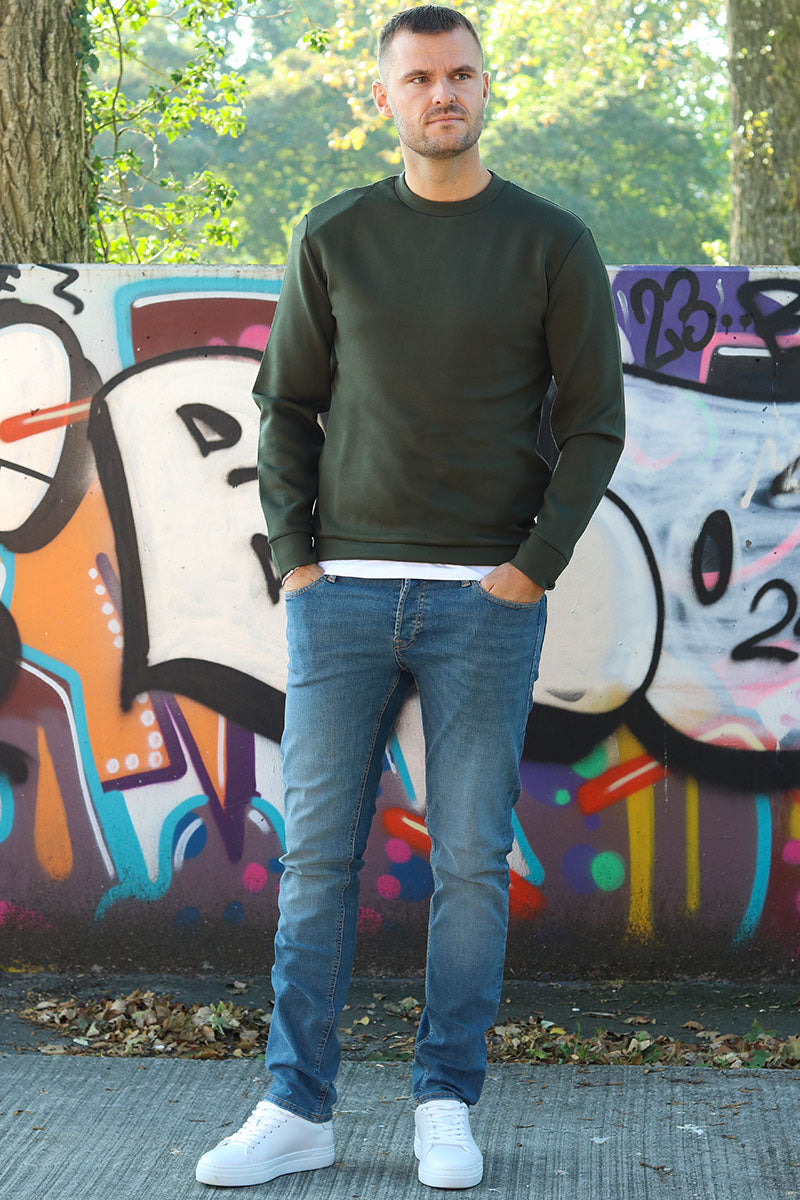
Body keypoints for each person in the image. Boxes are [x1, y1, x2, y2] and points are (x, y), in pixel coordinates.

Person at [196, 4, 624, 1190]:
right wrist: (296, 560)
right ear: (382, 96)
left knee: (471, 862)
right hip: (339, 596)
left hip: (485, 602)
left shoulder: (549, 241)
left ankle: (445, 1100)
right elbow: (284, 408)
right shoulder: (336, 234)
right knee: (316, 863)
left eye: (461, 74)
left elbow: (594, 422)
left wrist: (529, 568)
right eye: (420, 77)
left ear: (485, 89)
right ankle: (295, 1107)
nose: (444, 93)